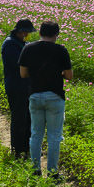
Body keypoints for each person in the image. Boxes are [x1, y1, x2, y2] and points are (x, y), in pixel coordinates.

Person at [18, 21, 73, 178]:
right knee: (54, 136)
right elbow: (69, 75)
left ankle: (35, 170)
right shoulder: (61, 50)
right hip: (54, 97)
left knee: (36, 133)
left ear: (40, 33)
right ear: (56, 34)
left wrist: (37, 75)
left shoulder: (28, 48)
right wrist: (57, 74)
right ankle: (53, 172)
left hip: (35, 96)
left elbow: (23, 74)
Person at [1, 19, 36, 158]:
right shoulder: (10, 44)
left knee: (27, 118)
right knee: (18, 118)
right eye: (26, 32)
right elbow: (18, 65)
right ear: (20, 31)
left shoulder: (22, 43)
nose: (27, 35)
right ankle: (17, 149)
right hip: (16, 86)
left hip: (26, 86)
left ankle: (26, 147)